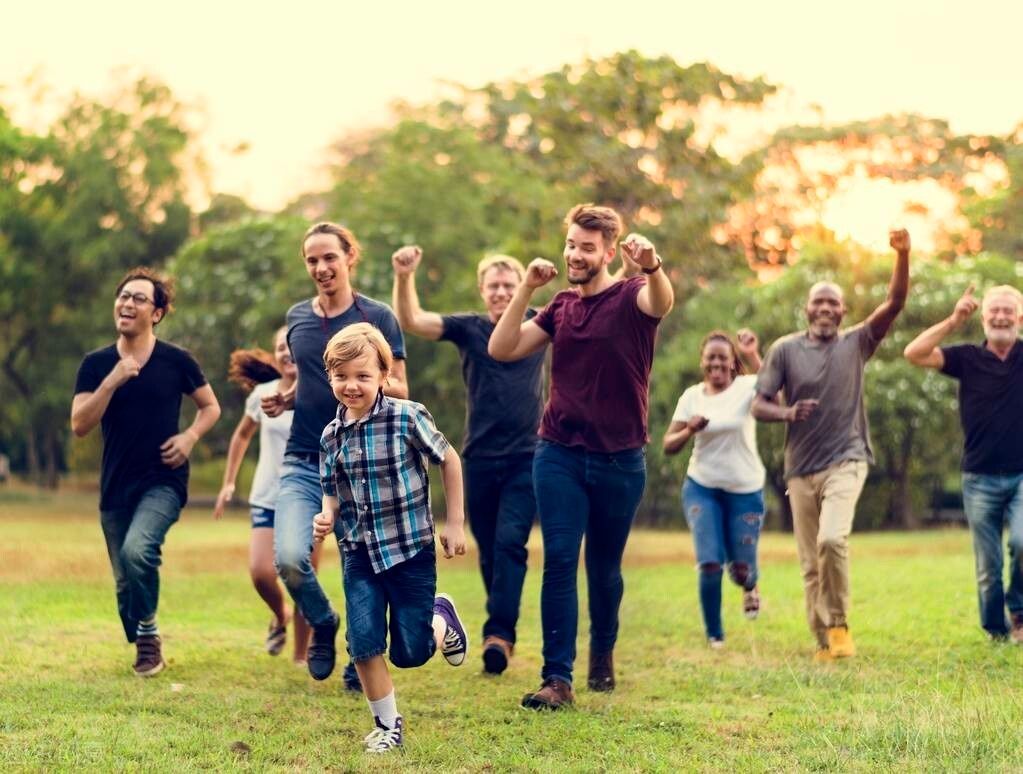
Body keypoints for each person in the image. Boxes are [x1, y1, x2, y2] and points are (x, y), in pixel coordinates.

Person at [489, 203, 674, 710]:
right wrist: (526, 288)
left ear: (609, 253)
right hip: (558, 453)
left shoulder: (633, 294)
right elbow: (503, 348)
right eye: (571, 244)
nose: (574, 254)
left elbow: (663, 302)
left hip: (620, 458)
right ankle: (557, 679)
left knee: (605, 568)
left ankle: (603, 649)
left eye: (586, 248)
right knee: (561, 559)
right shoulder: (560, 306)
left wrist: (653, 266)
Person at [752, 229, 910, 662]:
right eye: (817, 302)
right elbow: (758, 405)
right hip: (800, 468)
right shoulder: (784, 349)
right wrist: (787, 413)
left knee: (832, 540)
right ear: (807, 309)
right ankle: (824, 641)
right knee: (809, 564)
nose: (824, 308)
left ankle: (838, 624)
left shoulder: (858, 342)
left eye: (832, 302)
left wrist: (903, 254)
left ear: (843, 311)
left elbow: (895, 302)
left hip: (848, 458)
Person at [263, 222, 408, 689]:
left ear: (350, 257)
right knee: (287, 557)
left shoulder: (377, 316)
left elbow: (401, 386)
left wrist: (356, 388)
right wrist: (286, 398)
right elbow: (308, 380)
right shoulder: (297, 318)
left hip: (363, 463)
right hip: (304, 459)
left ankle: (359, 658)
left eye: (330, 257)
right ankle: (322, 621)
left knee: (361, 566)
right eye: (312, 260)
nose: (321, 267)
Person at [313, 323, 468, 753]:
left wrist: (455, 522)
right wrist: (325, 517)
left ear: (384, 375)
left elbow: (449, 459)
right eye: (342, 376)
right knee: (362, 643)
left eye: (363, 376)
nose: (352, 385)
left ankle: (442, 618)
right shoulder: (330, 436)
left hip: (409, 550)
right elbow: (332, 489)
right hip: (359, 551)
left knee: (411, 653)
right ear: (330, 378)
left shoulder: (407, 416)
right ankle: (387, 726)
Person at [391, 247, 543, 674]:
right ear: (482, 290)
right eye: (493, 286)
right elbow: (413, 321)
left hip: (527, 455)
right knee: (490, 550)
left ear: (521, 290)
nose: (500, 292)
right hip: (478, 456)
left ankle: (499, 635)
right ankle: (499, 631)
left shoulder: (540, 323)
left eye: (508, 286)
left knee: (512, 542)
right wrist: (405, 276)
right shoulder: (470, 328)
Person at [71, 267, 221, 676]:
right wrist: (111, 382)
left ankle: (149, 636)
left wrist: (189, 437)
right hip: (116, 484)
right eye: (123, 296)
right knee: (124, 583)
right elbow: (80, 425)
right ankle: (140, 632)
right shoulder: (96, 364)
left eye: (139, 298)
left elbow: (211, 407)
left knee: (139, 550)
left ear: (156, 313)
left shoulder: (177, 361)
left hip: (164, 479)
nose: (127, 303)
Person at [904, 283, 1023, 643]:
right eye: (994, 310)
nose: (1001, 316)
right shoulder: (967, 358)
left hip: (1022, 475)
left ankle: (1018, 613)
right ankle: (996, 630)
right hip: (979, 478)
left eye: (1008, 310)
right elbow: (914, 352)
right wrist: (953, 320)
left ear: (1019, 317)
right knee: (988, 566)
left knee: (1022, 542)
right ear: (983, 316)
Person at [213, 326, 316, 663]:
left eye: (292, 346)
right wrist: (229, 482)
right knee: (260, 572)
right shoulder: (263, 394)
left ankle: (301, 657)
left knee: (302, 578)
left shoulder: (319, 393)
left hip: (309, 499)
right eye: (279, 348)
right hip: (267, 495)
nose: (286, 353)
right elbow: (242, 436)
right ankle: (279, 613)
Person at [663, 329, 765, 648]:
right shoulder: (691, 397)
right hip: (702, 487)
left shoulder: (747, 388)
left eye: (723, 357)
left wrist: (752, 354)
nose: (717, 363)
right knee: (709, 560)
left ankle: (750, 584)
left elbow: (777, 388)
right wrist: (689, 430)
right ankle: (715, 635)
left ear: (733, 363)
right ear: (702, 362)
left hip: (745, 488)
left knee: (741, 568)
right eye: (711, 357)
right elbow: (668, 444)